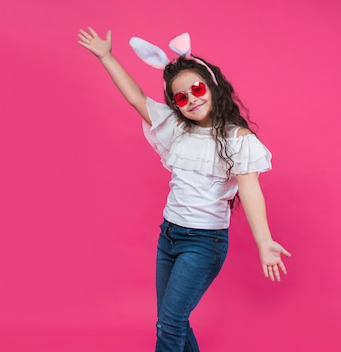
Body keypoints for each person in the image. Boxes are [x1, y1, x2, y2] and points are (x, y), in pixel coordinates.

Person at [77, 27, 292, 352]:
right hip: (169, 236)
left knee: (171, 322)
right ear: (175, 103)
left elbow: (250, 190)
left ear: (212, 87)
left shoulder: (238, 139)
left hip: (205, 243)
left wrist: (264, 241)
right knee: (170, 319)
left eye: (196, 89)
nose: (192, 99)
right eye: (181, 96)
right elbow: (136, 97)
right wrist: (107, 56)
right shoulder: (177, 128)